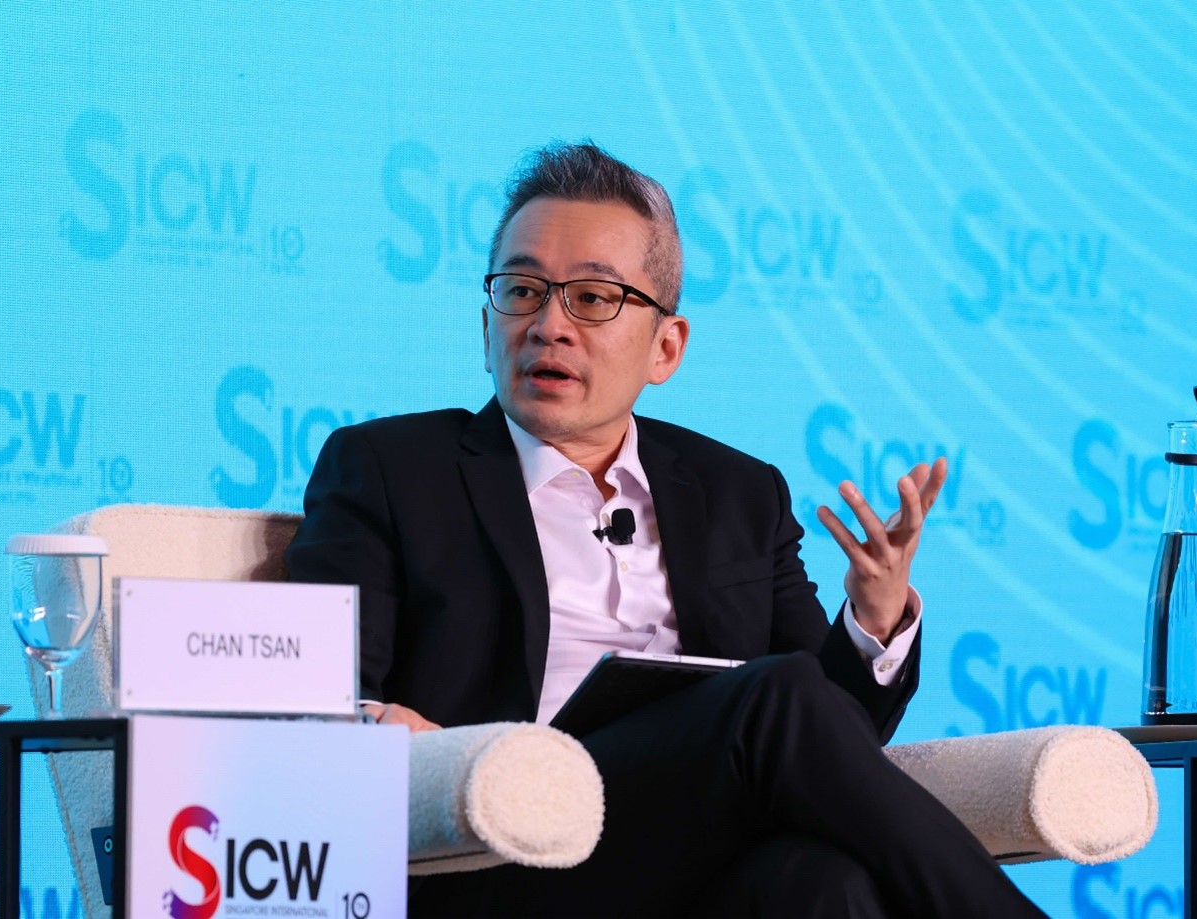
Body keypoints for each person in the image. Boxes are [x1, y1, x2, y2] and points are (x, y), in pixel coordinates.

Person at [286, 143, 1046, 917]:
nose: (548, 325)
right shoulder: (389, 468)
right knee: (773, 695)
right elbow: (312, 694)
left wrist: (873, 621)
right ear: (486, 325)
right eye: (522, 290)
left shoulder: (738, 492)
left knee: (825, 885)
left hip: (687, 866)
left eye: (591, 298)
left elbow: (833, 733)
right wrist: (382, 723)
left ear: (666, 347)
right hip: (495, 856)